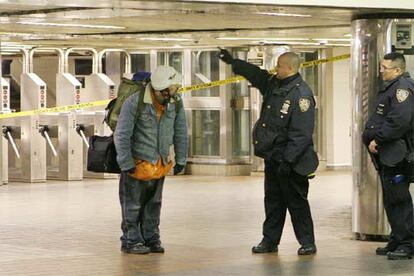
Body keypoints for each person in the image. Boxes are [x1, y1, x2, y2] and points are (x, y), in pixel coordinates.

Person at [218, 49, 318, 255]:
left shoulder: (301, 95)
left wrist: (288, 161)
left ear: (290, 68)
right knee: (272, 201)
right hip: (274, 158)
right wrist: (233, 62)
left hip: (292, 162)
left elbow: (301, 134)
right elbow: (257, 74)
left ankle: (307, 242)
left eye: (280, 66)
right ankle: (270, 240)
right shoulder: (275, 84)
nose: (276, 69)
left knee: (297, 203)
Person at [114, 66, 188, 254]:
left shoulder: (176, 102)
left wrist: (181, 159)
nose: (176, 90)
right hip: (137, 163)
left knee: (154, 205)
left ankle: (151, 238)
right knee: (132, 206)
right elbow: (121, 134)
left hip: (159, 164)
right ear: (162, 89)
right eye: (173, 87)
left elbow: (180, 132)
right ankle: (131, 241)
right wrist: (126, 163)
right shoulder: (134, 102)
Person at [362, 52, 414, 260]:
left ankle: (408, 243)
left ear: (398, 70)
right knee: (391, 199)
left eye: (385, 68)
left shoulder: (402, 90)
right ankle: (397, 237)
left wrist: (379, 139)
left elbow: (399, 121)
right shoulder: (391, 88)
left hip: (398, 155)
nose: (381, 70)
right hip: (389, 155)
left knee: (399, 199)